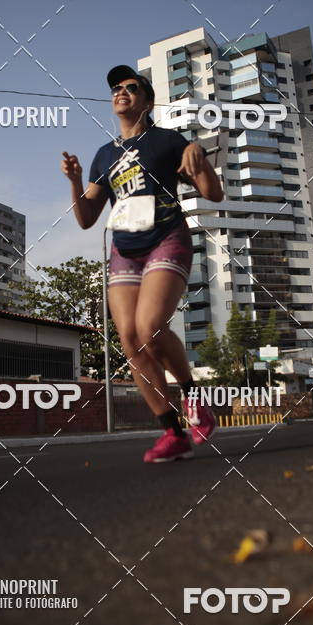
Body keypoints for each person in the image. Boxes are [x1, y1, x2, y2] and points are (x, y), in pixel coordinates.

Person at [61, 65, 223, 463]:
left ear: (147, 102)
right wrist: (76, 180)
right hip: (125, 249)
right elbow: (86, 219)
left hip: (166, 237)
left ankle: (194, 396)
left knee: (150, 328)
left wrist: (199, 156)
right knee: (131, 342)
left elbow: (213, 193)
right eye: (117, 88)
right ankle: (172, 432)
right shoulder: (105, 154)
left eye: (132, 87)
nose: (122, 92)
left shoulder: (168, 142)